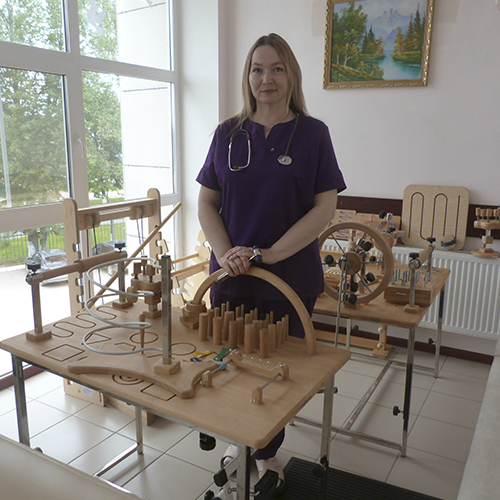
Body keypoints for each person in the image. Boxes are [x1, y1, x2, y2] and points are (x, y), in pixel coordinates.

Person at [196, 33, 346, 494]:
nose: (267, 79)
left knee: (277, 375)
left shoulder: (313, 134)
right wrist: (226, 252)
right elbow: (207, 202)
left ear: (292, 75)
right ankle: (240, 440)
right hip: (231, 278)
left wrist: (272, 253)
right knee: (232, 366)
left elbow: (324, 208)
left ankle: (265, 453)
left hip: (289, 280)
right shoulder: (227, 133)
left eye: (277, 68)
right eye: (257, 69)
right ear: (247, 77)